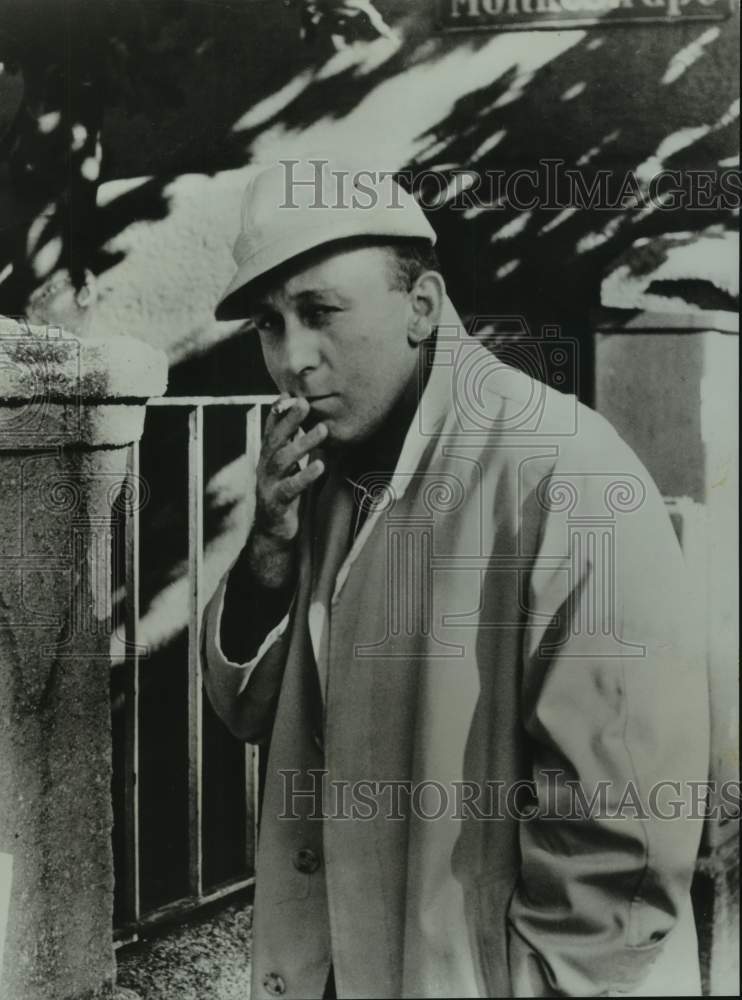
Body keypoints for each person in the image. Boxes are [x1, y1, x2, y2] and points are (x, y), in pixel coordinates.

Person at [201, 158, 709, 999]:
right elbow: (250, 713)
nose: (292, 358)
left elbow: (626, 838)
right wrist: (269, 549)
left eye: (321, 312)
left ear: (423, 307)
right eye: (268, 323)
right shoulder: (328, 482)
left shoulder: (561, 470)